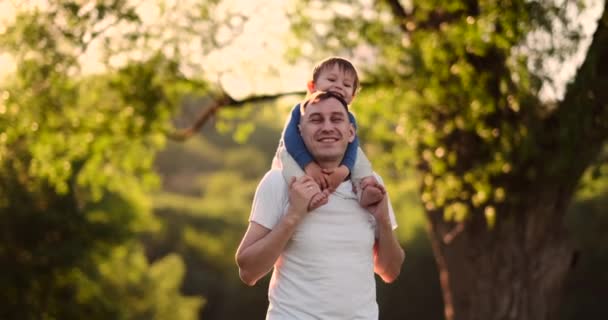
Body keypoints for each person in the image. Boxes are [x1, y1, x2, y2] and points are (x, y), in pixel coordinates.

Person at [236, 91, 405, 319]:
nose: (327, 127)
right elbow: (248, 271)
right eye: (316, 120)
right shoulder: (279, 182)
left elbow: (390, 271)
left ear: (350, 132)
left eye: (336, 119)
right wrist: (293, 215)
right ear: (299, 132)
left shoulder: (370, 184)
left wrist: (383, 220)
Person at [273, 57, 385, 211]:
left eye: (346, 85)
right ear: (312, 86)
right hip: (296, 157)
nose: (338, 86)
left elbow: (352, 146)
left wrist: (344, 170)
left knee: (359, 155)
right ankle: (308, 194)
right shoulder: (301, 110)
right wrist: (309, 165)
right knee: (284, 154)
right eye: (332, 79)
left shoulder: (348, 118)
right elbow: (290, 140)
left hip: (333, 163)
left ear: (352, 97)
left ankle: (364, 189)